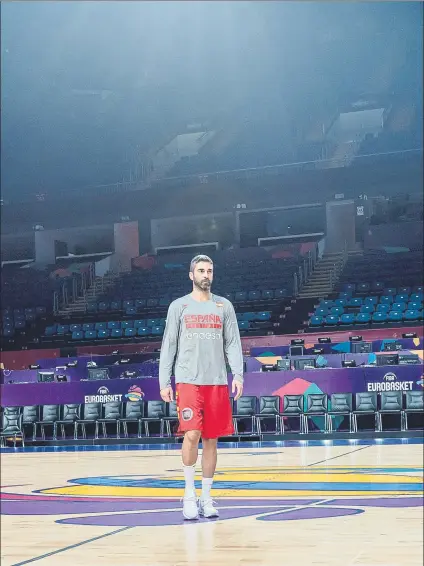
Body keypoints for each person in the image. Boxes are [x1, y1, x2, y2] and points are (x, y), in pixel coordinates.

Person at [158, 254, 244, 520]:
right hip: (188, 380)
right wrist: (165, 380)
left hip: (217, 381)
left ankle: (207, 498)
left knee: (211, 440)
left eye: (209, 270)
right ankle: (188, 495)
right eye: (201, 270)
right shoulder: (178, 307)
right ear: (191, 275)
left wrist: (238, 374)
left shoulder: (224, 306)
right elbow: (169, 344)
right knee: (192, 433)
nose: (206, 275)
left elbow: (232, 342)